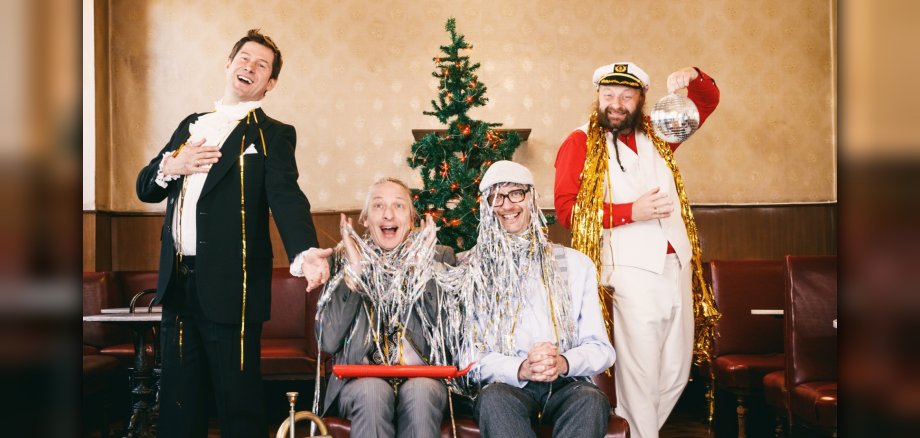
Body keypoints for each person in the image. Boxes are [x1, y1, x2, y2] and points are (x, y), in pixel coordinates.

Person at [136, 29, 331, 437]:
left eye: (262, 66)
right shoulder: (190, 125)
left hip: (235, 289)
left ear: (270, 83)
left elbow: (286, 195)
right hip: (177, 284)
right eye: (244, 58)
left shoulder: (273, 134)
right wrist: (174, 164)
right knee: (178, 407)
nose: (250, 67)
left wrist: (305, 251)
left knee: (238, 408)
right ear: (229, 64)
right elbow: (146, 188)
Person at [553, 61, 720, 438]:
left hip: (677, 266)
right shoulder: (579, 142)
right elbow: (567, 211)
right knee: (640, 376)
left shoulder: (660, 132)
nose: (616, 103)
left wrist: (694, 77)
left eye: (626, 96)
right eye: (608, 95)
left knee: (675, 372)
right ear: (598, 97)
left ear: (641, 98)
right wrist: (631, 212)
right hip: (630, 272)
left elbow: (706, 103)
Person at [450, 160, 616, 438]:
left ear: (532, 199)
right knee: (494, 401)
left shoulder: (576, 264)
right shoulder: (471, 269)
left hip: (567, 384)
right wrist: (521, 369)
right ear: (486, 207)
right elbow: (466, 356)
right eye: (496, 197)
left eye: (516, 193)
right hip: (505, 386)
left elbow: (601, 349)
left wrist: (562, 362)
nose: (506, 205)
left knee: (591, 401)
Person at [316, 178, 456, 438]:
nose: (388, 214)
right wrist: (354, 275)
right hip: (359, 383)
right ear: (365, 219)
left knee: (420, 392)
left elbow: (450, 338)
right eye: (378, 206)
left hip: (423, 379)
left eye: (398, 206)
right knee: (372, 391)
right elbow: (328, 341)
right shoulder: (342, 258)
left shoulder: (441, 256)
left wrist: (422, 272)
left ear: (412, 220)